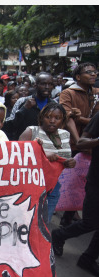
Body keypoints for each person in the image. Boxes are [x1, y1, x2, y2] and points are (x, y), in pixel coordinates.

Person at [51, 110, 99, 277]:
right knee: (91, 222)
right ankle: (59, 235)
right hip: (96, 180)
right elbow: (82, 142)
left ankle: (88, 258)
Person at [18, 102, 76, 223]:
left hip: (53, 187)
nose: (52, 121)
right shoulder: (32, 131)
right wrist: (43, 156)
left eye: (57, 118)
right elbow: (17, 156)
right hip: (30, 185)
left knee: (43, 224)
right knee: (24, 222)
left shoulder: (65, 134)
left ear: (63, 120)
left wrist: (69, 163)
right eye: (48, 117)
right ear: (41, 117)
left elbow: (64, 157)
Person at [58, 62, 99, 227]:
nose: (93, 75)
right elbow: (66, 117)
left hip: (91, 145)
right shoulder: (68, 93)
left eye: (95, 72)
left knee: (84, 186)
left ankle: (73, 219)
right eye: (89, 72)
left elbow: (95, 119)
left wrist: (81, 119)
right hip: (73, 145)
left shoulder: (96, 93)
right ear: (78, 77)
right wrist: (78, 142)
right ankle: (65, 222)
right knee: (71, 184)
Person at [4, 72, 54, 140]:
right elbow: (9, 126)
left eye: (50, 84)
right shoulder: (22, 101)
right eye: (43, 84)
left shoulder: (54, 105)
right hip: (24, 145)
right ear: (35, 85)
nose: (47, 87)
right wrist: (24, 109)